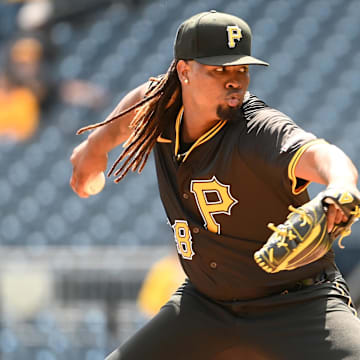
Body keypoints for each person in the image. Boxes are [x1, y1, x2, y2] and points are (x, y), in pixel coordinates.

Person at [70, 10, 360, 360]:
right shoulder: (160, 108)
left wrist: (339, 187)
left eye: (241, 69)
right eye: (219, 69)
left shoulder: (258, 129)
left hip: (298, 305)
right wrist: (94, 148)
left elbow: (323, 156)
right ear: (184, 71)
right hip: (205, 306)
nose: (234, 80)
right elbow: (140, 102)